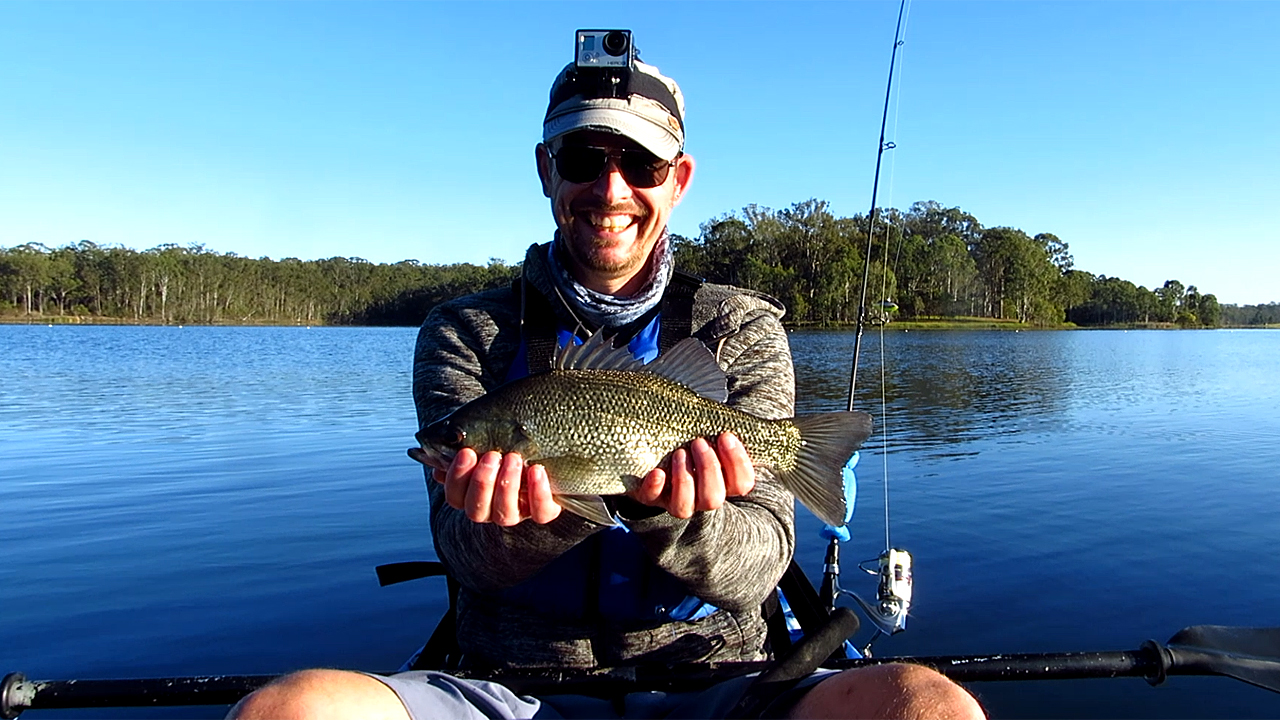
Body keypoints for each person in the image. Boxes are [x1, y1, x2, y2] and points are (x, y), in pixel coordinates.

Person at [230, 35, 984, 720]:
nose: (612, 189)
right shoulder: (466, 333)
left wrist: (671, 516)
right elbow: (464, 551)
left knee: (929, 707)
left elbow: (762, 562)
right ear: (546, 170)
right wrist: (534, 517)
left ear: (678, 178)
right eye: (585, 159)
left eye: (642, 164)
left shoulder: (741, 329)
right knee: (284, 711)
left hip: (719, 675)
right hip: (510, 685)